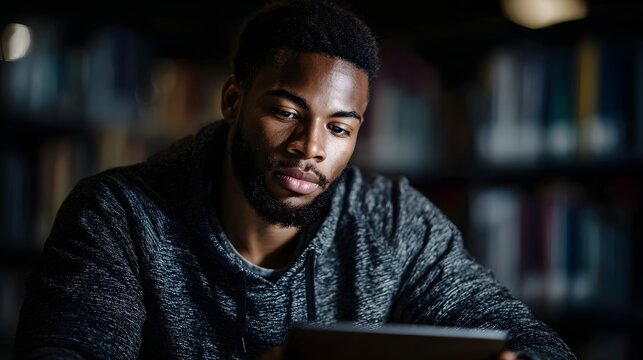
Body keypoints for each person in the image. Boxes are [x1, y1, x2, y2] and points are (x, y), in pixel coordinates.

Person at [13, 0, 577, 359]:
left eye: (338, 127)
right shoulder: (119, 214)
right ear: (233, 100)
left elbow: (524, 338)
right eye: (286, 113)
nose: (310, 148)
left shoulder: (394, 222)